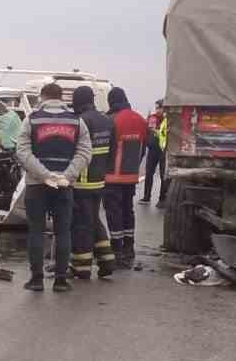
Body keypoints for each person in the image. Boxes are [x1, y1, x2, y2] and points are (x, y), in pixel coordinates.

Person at [14, 82, 91, 292]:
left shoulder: (32, 119)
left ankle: (37, 280)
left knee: (36, 231)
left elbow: (22, 152)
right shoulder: (77, 122)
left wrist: (44, 175)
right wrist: (66, 176)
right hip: (65, 186)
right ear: (62, 98)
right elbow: (85, 152)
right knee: (63, 231)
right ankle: (60, 280)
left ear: (42, 97)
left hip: (36, 185)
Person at [69, 86, 117, 280]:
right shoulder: (107, 120)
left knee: (81, 224)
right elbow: (113, 151)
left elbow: (75, 151)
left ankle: (82, 267)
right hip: (99, 180)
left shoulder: (81, 121)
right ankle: (107, 261)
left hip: (82, 180)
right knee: (93, 220)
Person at [104, 87, 148, 268]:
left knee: (114, 212)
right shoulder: (140, 119)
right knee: (128, 210)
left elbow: (106, 149)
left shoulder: (112, 120)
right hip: (131, 175)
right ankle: (129, 246)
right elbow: (145, 146)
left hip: (112, 176)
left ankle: (117, 248)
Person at [141, 100, 165, 204]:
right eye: (156, 108)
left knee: (163, 175)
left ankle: (162, 199)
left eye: (159, 108)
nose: (157, 110)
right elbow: (147, 130)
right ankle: (146, 196)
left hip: (163, 150)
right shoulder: (152, 118)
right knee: (149, 173)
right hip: (152, 149)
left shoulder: (168, 119)